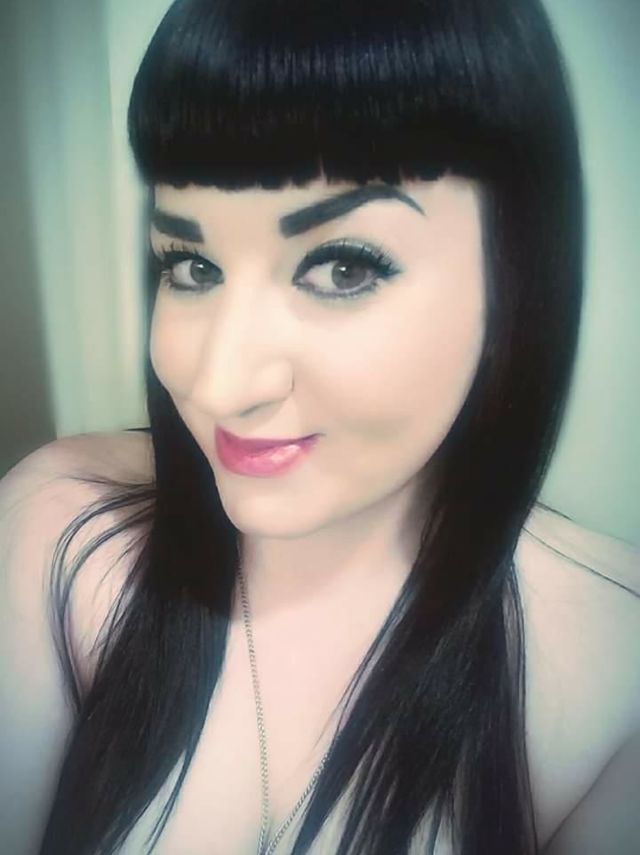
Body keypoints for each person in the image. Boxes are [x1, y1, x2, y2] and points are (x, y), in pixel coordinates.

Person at [1, 0, 638, 853]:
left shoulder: (613, 679)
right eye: (191, 265)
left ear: (515, 278)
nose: (220, 383)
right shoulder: (59, 534)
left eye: (341, 267)